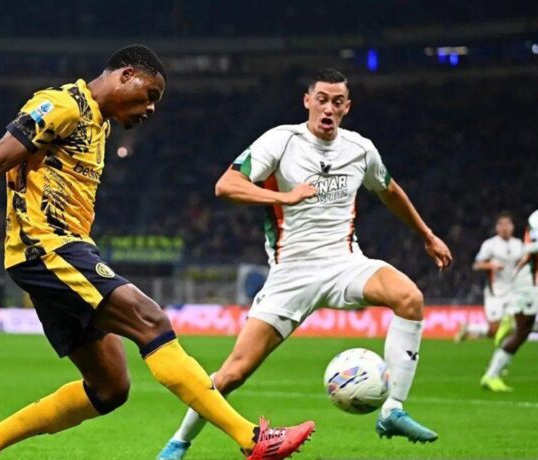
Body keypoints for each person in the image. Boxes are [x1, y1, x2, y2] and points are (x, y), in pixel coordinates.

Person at [0, 45, 314, 460]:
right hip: (45, 247)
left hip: (59, 252)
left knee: (110, 387)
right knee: (151, 320)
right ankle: (252, 440)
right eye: (150, 95)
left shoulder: (99, 126)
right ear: (126, 74)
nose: (151, 108)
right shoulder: (62, 105)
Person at [158, 68, 453, 460]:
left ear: (347, 107)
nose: (328, 108)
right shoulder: (282, 140)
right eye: (322, 99)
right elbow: (226, 185)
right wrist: (284, 197)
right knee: (233, 373)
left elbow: (389, 191)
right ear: (307, 100)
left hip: (345, 263)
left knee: (410, 298)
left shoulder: (360, 149)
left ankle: (393, 409)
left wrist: (427, 235)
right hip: (291, 274)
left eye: (337, 101)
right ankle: (178, 443)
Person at [480, 210, 538, 391]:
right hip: (528, 280)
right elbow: (531, 247)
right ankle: (491, 375)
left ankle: (510, 318)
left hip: (530, 279)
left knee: (524, 330)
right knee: (522, 331)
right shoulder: (536, 218)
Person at [455, 212, 522, 347]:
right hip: (495, 292)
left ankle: (502, 348)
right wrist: (491, 265)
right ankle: (469, 329)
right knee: (494, 331)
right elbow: (476, 265)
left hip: (514, 291)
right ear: (497, 227)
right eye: (501, 224)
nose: (505, 227)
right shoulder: (490, 244)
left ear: (512, 226)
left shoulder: (519, 244)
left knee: (516, 324)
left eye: (508, 224)